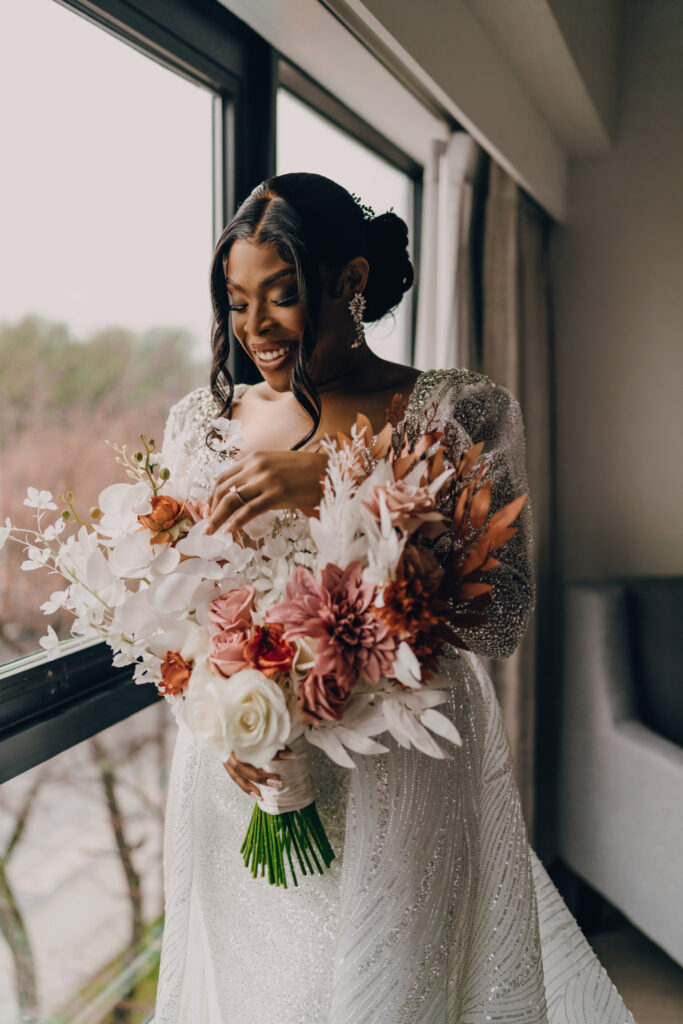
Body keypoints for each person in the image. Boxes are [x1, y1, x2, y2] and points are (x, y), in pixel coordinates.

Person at [153, 172, 634, 1023]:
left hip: (403, 774)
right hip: (245, 774)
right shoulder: (203, 419)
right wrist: (218, 716)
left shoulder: (460, 408)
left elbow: (506, 614)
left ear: (351, 282)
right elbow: (179, 608)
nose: (255, 328)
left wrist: (340, 482)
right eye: (236, 302)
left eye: (283, 295)